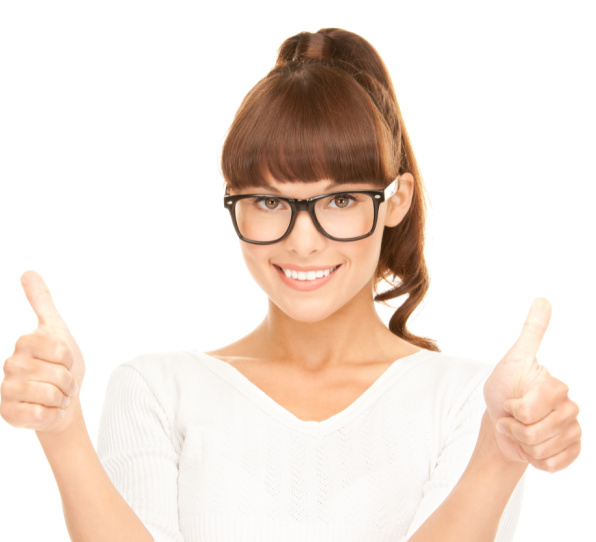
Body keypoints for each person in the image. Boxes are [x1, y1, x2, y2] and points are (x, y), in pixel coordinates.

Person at [0, 28, 581, 542]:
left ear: (396, 200)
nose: (303, 241)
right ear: (234, 201)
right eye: (271, 201)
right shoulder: (156, 390)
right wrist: (62, 429)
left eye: (343, 199)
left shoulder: (473, 404)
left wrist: (500, 456)